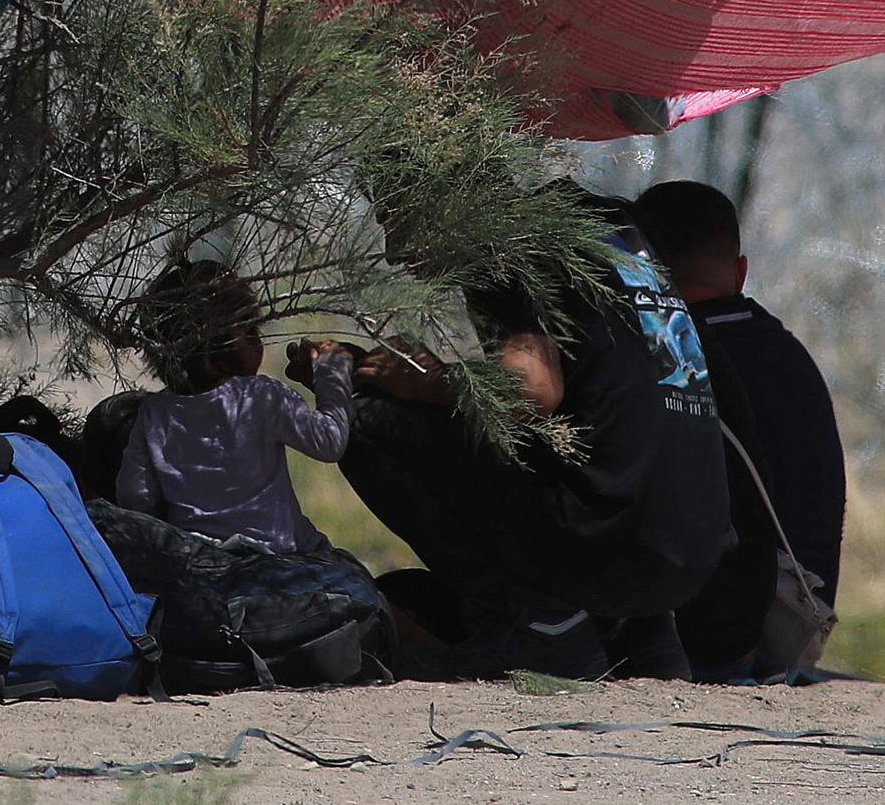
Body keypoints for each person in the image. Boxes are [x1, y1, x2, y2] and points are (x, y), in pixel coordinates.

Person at [341, 193, 733, 679]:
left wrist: (418, 382)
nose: (394, 253)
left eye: (396, 220)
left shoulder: (509, 239)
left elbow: (530, 388)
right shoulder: (611, 222)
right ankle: (640, 636)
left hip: (616, 546)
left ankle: (538, 628)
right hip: (690, 554)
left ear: (442, 187)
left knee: (365, 425)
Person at [634, 180, 845, 609]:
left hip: (729, 624)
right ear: (740, 271)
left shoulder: (668, 350)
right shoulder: (785, 350)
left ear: (642, 270)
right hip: (801, 610)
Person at [114, 262, 355, 553]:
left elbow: (135, 497)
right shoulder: (260, 397)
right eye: (250, 329)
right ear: (220, 344)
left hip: (201, 567)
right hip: (278, 561)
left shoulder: (155, 414)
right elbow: (329, 442)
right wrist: (332, 370)